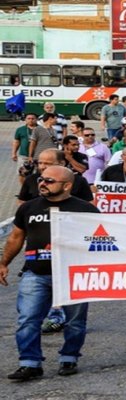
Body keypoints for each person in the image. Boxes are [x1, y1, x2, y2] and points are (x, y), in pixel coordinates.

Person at [1, 166, 100, 381]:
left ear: (67, 186)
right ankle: (29, 363)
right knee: (27, 320)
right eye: (41, 180)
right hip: (35, 274)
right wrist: (4, 262)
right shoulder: (29, 207)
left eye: (49, 181)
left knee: (74, 322)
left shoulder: (85, 210)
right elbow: (16, 237)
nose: (42, 184)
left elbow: (100, 241)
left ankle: (69, 358)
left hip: (73, 275)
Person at [18, 149, 93, 204]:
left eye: (47, 163)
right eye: (40, 163)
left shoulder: (79, 181)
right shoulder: (31, 179)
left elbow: (90, 204)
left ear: (62, 163)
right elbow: (22, 202)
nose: (42, 167)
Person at [12, 113, 38, 184]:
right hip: (23, 155)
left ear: (36, 119)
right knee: (22, 173)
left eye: (33, 118)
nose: (31, 120)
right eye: (28, 118)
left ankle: (35, 192)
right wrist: (14, 153)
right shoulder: (20, 129)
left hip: (37, 156)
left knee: (36, 174)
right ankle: (24, 191)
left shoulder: (40, 129)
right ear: (25, 120)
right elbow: (17, 142)